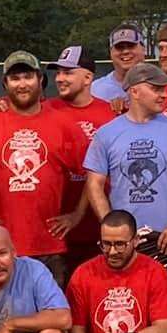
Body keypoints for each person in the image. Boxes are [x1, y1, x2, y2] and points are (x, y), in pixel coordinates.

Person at [0, 51, 83, 282]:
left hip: (50, 247)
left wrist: (76, 215)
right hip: (0, 250)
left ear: (40, 80)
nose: (22, 84)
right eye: (15, 79)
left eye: (28, 77)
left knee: (51, 315)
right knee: (2, 317)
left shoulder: (63, 124)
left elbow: (94, 173)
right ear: (5, 84)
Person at [83, 63, 167, 265]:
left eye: (164, 89)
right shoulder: (107, 133)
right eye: (156, 89)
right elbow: (94, 184)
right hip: (123, 246)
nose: (164, 95)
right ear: (135, 91)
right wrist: (112, 228)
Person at [65, 208, 167, 333]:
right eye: (106, 244)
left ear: (136, 241)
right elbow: (77, 331)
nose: (112, 252)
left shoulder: (155, 272)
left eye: (120, 244)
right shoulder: (83, 274)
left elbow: (164, 331)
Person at [45, 44, 120, 272]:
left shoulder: (111, 114)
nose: (60, 78)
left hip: (100, 224)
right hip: (57, 227)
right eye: (58, 72)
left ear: (87, 78)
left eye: (68, 72)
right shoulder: (45, 110)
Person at [90, 23, 148, 104]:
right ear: (110, 52)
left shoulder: (159, 85)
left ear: (143, 49)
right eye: (119, 47)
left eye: (131, 46)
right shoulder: (95, 90)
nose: (125, 51)